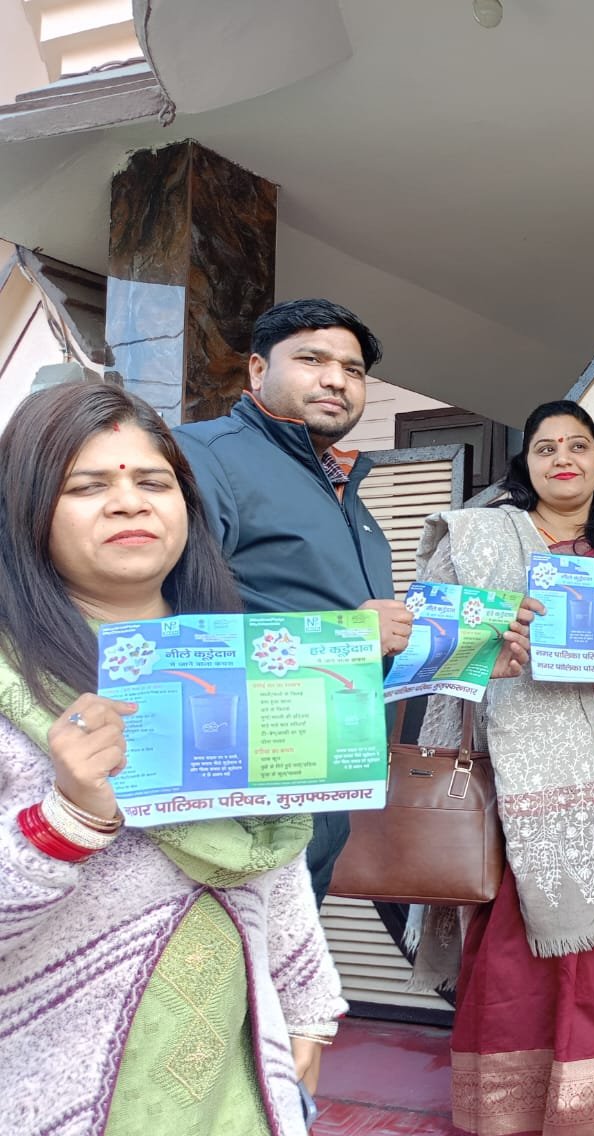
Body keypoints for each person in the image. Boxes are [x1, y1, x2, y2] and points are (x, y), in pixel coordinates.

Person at [0, 381, 346, 1136]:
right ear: (26, 511)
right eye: (88, 485)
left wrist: (308, 1008)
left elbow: (271, 852)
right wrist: (65, 820)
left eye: (153, 481)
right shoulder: (14, 682)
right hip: (59, 1093)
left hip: (234, 1080)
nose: (130, 502)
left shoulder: (239, 665)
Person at [404, 399, 594, 1136]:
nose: (563, 457)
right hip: (504, 768)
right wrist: (496, 635)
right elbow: (427, 642)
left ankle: (591, 1118)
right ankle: (492, 1116)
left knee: (592, 947)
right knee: (504, 953)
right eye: (546, 446)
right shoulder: (482, 537)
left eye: (578, 445)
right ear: (524, 463)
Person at [174, 298, 414, 905]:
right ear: (258, 370)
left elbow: (366, 644)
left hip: (323, 787)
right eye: (312, 359)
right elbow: (171, 622)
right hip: (238, 799)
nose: (336, 379)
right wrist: (344, 636)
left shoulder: (340, 487)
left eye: (353, 370)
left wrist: (470, 654)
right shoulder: (204, 456)